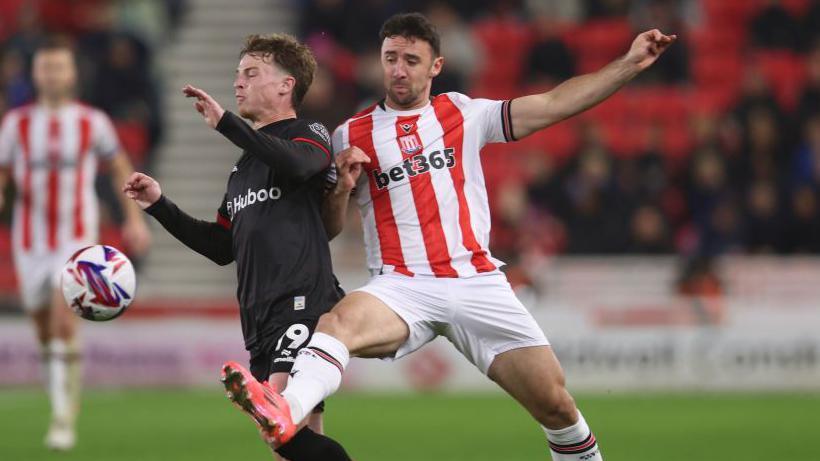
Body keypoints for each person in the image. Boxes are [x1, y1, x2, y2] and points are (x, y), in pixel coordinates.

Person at [229, 13, 676, 460]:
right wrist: (343, 188)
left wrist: (629, 64)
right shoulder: (351, 133)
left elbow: (554, 104)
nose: (398, 70)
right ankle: (285, 410)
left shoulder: (464, 113)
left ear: (436, 66)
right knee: (335, 325)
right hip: (401, 285)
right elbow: (327, 229)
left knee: (556, 406)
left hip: (475, 280)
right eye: (390, 59)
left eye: (410, 59)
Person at [123, 33, 351, 461]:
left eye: (252, 73)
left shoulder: (309, 132)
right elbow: (221, 245)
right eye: (237, 74)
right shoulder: (243, 168)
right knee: (291, 445)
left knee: (280, 418)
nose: (238, 82)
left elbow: (302, 165)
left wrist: (230, 124)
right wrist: (159, 205)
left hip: (301, 302)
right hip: (260, 316)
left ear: (286, 85)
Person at [0, 38, 151, 450]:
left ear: (72, 74)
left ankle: (64, 417)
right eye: (46, 68)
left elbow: (119, 164)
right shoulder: (16, 124)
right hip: (30, 239)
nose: (52, 75)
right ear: (36, 74)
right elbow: (3, 172)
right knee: (44, 330)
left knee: (63, 317)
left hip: (75, 236)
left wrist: (133, 219)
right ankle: (62, 399)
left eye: (59, 68)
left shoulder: (92, 122)